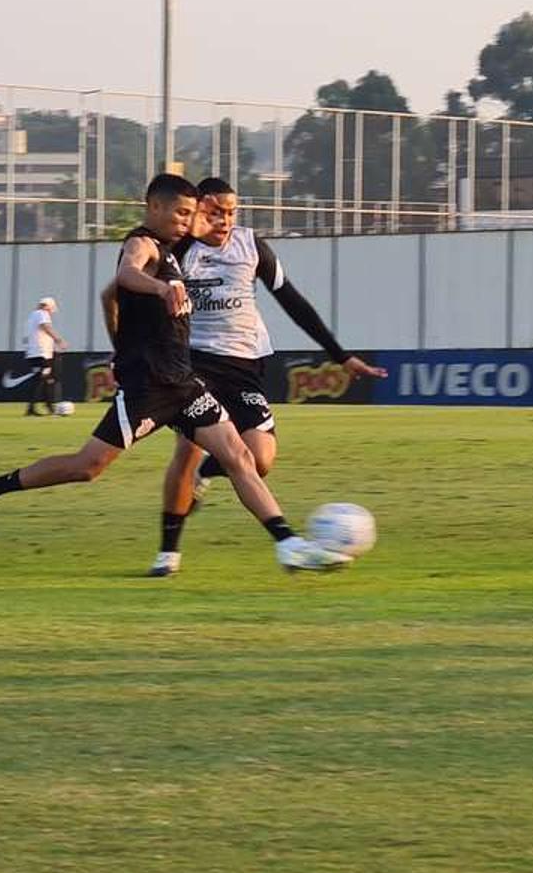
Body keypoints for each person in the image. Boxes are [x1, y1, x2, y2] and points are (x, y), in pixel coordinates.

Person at [0, 173, 346, 573]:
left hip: (184, 384)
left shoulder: (175, 246)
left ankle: (288, 544)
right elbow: (124, 276)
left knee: (240, 457)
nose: (187, 221)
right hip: (148, 387)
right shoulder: (143, 244)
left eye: (192, 214)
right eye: (181, 213)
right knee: (87, 467)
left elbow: (109, 297)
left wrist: (217, 220)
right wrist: (158, 292)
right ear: (154, 207)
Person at [116, 177, 386, 577]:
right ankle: (168, 552)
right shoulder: (177, 249)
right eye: (214, 212)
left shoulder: (250, 245)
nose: (224, 220)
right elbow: (131, 291)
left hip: (245, 365)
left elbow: (293, 302)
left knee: (259, 459)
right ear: (195, 211)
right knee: (185, 452)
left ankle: (210, 473)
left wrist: (340, 355)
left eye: (231, 212)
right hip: (193, 362)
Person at [12, 295, 67, 415]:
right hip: (41, 354)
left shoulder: (31, 317)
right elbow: (45, 327)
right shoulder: (42, 313)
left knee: (46, 379)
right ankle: (35, 407)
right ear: (48, 307)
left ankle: (46, 406)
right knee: (42, 379)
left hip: (34, 354)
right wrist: (58, 339)